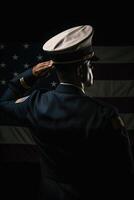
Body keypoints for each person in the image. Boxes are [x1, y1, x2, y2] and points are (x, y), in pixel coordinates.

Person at [0, 25, 134, 199]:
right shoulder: (105, 114)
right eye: (90, 64)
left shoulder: (35, 104)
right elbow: (124, 171)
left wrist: (31, 74)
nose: (93, 69)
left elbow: (4, 102)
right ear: (81, 69)